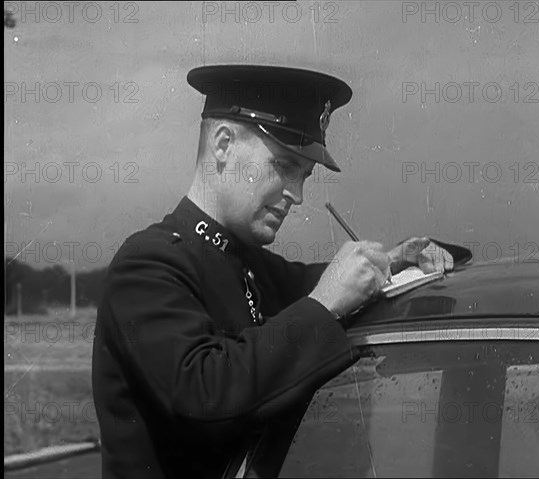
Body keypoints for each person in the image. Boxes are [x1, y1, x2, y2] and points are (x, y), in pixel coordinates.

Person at [92, 64, 459, 478]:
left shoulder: (247, 264)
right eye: (284, 167)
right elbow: (204, 396)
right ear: (224, 144)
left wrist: (398, 259)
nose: (297, 195)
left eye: (304, 176)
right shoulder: (146, 266)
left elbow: (324, 285)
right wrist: (324, 303)